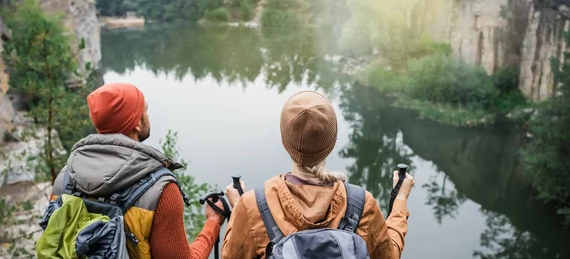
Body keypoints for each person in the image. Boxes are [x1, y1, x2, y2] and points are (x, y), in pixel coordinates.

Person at [221, 91, 415, 259]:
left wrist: (239, 207)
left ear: (284, 141)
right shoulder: (362, 204)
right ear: (332, 140)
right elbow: (389, 255)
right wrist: (400, 199)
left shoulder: (253, 205)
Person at [49, 83, 225, 258]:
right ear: (137, 124)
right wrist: (213, 222)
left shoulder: (65, 179)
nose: (148, 115)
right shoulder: (161, 190)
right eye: (145, 111)